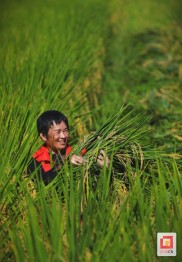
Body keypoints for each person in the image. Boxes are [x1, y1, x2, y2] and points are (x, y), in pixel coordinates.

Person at [27, 110, 109, 185]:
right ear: (43, 136)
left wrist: (105, 170)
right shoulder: (35, 161)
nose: (63, 136)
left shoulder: (80, 153)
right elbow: (43, 181)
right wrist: (66, 165)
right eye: (57, 132)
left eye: (65, 130)